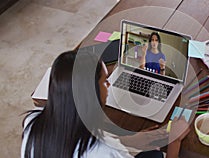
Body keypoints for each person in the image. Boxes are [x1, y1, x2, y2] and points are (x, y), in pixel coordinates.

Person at [22, 50, 190, 158]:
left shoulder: (32, 123)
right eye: (104, 80)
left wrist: (132, 140)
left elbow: (79, 139)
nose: (109, 84)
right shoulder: (107, 153)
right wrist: (175, 141)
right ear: (91, 95)